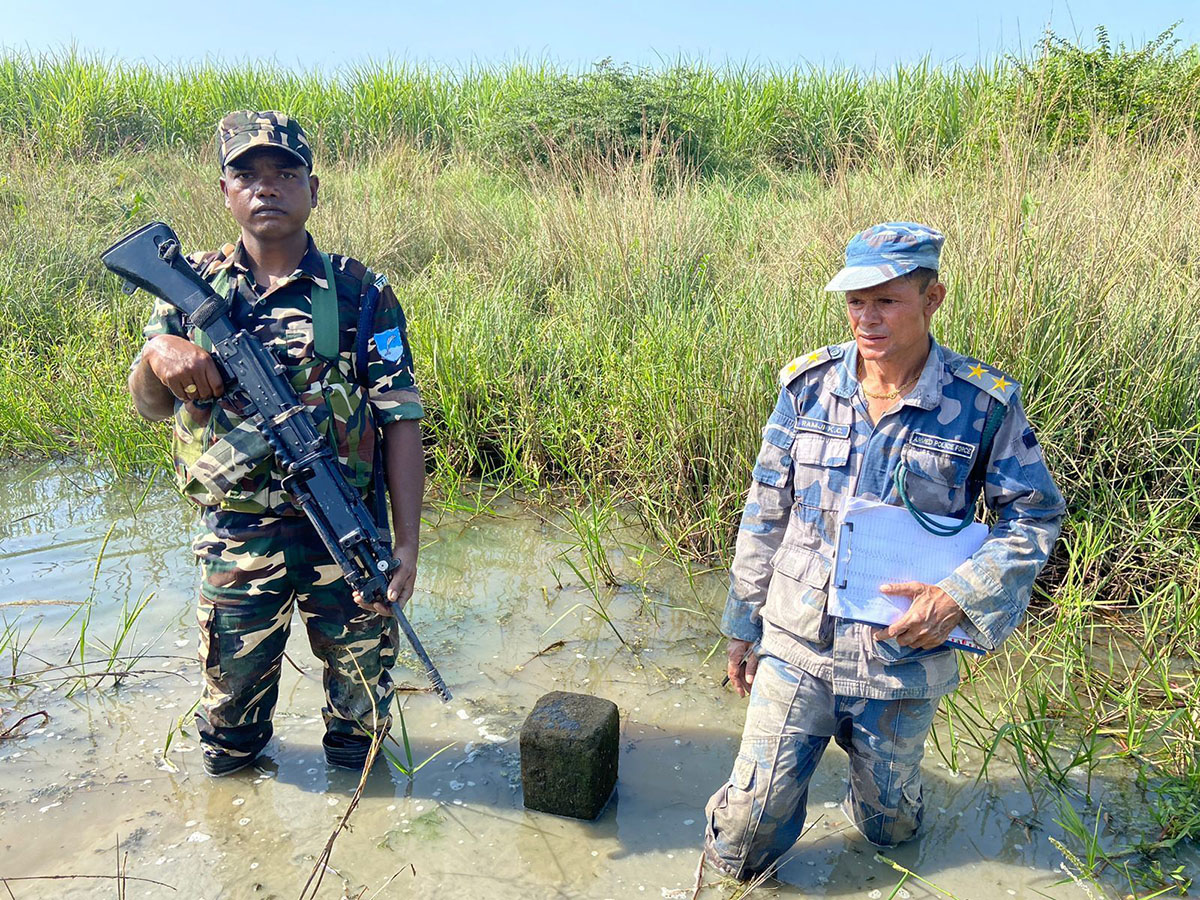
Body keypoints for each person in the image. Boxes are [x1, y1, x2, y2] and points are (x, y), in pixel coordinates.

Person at [703, 222, 1065, 879]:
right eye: (855, 302)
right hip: (798, 640)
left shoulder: (981, 405)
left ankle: (875, 800)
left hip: (901, 651)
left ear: (933, 299)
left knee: (890, 831)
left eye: (888, 301)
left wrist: (958, 597)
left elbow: (1034, 515)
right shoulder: (807, 388)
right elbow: (764, 513)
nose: (867, 319)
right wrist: (740, 625)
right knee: (745, 833)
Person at [127, 111, 426, 776]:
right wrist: (157, 354)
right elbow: (149, 406)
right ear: (225, 192)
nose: (267, 188)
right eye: (248, 175)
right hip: (235, 538)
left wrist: (405, 543)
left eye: (284, 174)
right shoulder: (188, 287)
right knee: (228, 735)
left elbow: (401, 420)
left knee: (364, 733)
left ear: (313, 190)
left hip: (346, 538)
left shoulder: (363, 293)